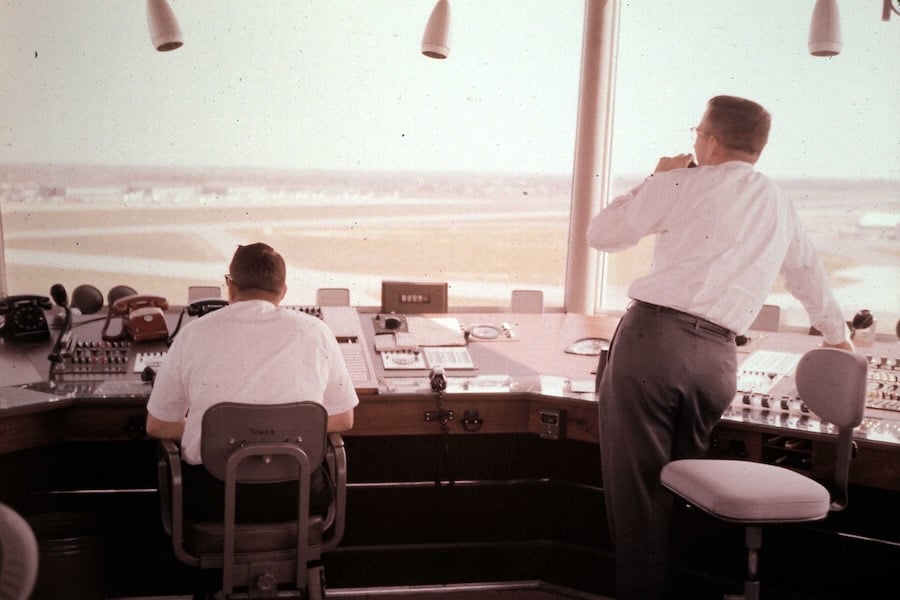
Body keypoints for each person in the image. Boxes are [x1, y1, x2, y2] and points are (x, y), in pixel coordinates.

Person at [586, 95, 853, 600]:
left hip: (653, 347)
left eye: (697, 133)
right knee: (686, 489)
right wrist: (839, 339)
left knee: (639, 496)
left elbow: (602, 234)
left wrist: (655, 179)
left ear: (708, 140)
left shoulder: (682, 182)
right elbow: (808, 277)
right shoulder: (778, 202)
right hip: (718, 362)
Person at [146, 242, 358, 520]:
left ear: (230, 286)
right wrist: (280, 428)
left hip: (213, 501)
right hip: (297, 498)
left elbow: (158, 425)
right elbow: (343, 419)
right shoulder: (317, 331)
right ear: (283, 291)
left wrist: (216, 430)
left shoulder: (193, 334)